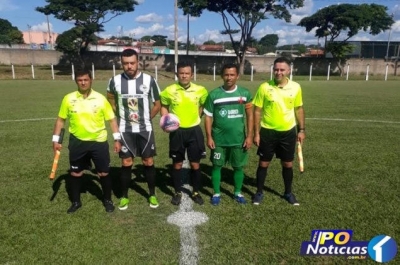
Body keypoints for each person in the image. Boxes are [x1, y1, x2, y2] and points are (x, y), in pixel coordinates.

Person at [52, 69, 121, 214]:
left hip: (98, 142)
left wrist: (116, 139)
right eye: (80, 80)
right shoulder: (68, 99)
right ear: (76, 81)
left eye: (85, 80)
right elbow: (60, 120)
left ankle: (107, 200)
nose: (83, 82)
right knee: (76, 173)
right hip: (77, 142)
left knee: (103, 173)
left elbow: (112, 120)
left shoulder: (101, 99)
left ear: (91, 80)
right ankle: (76, 202)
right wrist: (55, 139)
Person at [107, 48, 161, 210]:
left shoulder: (149, 80)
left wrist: (147, 118)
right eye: (125, 63)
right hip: (125, 129)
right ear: (121, 64)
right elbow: (110, 98)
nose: (129, 66)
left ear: (138, 62)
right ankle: (124, 196)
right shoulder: (114, 81)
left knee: (148, 161)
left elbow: (157, 104)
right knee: (126, 161)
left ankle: (152, 194)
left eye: (132, 63)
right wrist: (117, 113)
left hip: (145, 129)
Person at [252, 57, 306, 206]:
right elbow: (257, 111)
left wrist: (301, 130)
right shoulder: (264, 87)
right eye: (276, 69)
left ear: (288, 71)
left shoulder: (296, 87)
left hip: (288, 132)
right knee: (263, 163)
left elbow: (299, 108)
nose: (278, 72)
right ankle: (259, 192)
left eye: (282, 69)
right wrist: (256, 133)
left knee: (287, 164)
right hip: (267, 132)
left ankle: (288, 192)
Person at [203, 63, 253, 205]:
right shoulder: (214, 94)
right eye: (226, 75)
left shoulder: (245, 94)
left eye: (232, 75)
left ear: (237, 76)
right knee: (216, 166)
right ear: (222, 76)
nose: (229, 78)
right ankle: (217, 193)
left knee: (238, 167)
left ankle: (237, 192)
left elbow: (250, 116)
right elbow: (208, 117)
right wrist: (209, 136)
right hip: (218, 140)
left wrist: (249, 136)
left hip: (238, 139)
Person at [160, 61, 208, 206]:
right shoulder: (169, 90)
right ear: (177, 74)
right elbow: (164, 106)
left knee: (195, 164)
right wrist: (166, 121)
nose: (184, 76)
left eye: (187, 73)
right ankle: (177, 192)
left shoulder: (201, 90)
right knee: (177, 164)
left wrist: (198, 117)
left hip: (194, 131)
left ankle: (195, 192)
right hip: (177, 132)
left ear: (191, 74)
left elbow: (203, 106)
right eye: (181, 73)